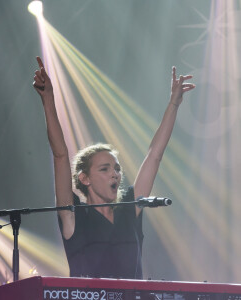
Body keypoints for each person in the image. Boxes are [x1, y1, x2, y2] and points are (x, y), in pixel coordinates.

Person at [33, 56, 195, 279]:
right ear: (84, 178)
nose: (115, 174)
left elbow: (154, 156)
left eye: (117, 168)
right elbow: (60, 156)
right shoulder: (74, 216)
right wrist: (48, 100)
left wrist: (174, 104)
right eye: (105, 169)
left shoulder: (130, 208)